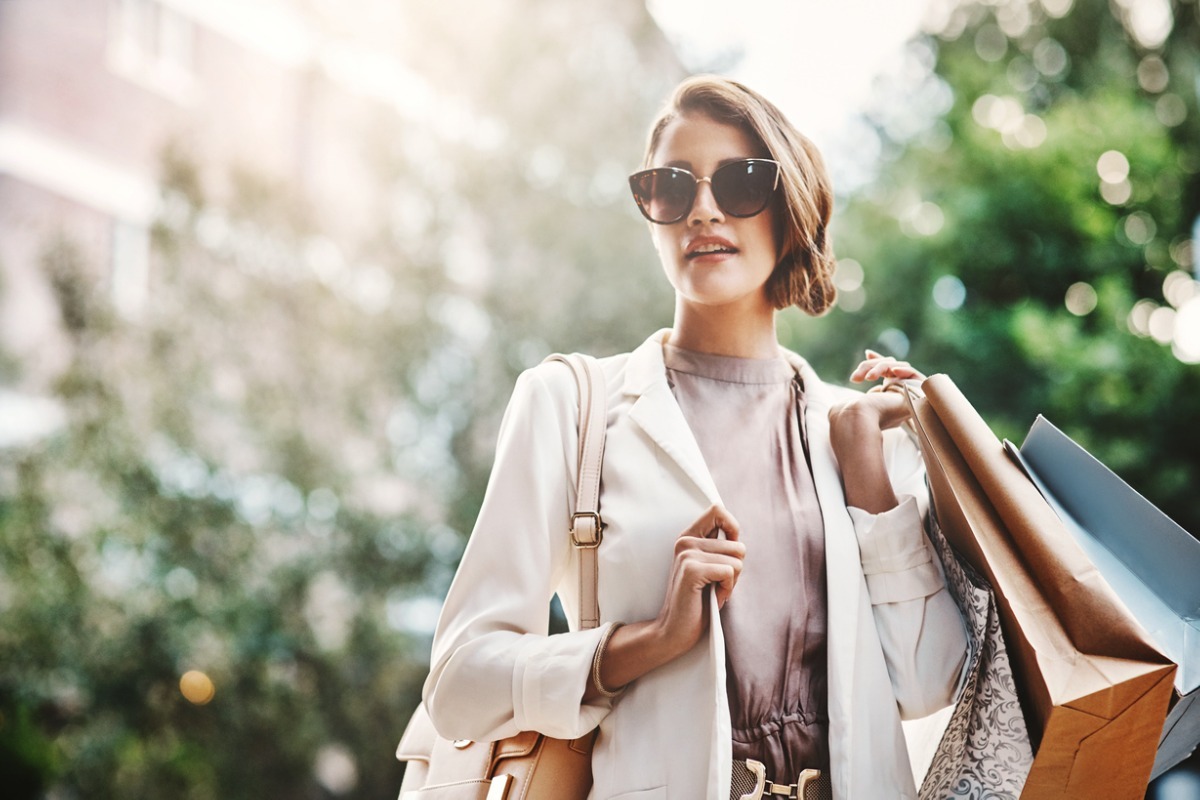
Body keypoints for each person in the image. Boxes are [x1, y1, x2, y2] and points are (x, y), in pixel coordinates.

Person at [422, 75, 969, 800]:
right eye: (671, 187)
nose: (703, 209)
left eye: (741, 182)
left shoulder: (857, 432)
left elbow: (929, 682)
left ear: (787, 207)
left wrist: (870, 478)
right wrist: (642, 644)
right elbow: (459, 684)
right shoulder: (569, 405)